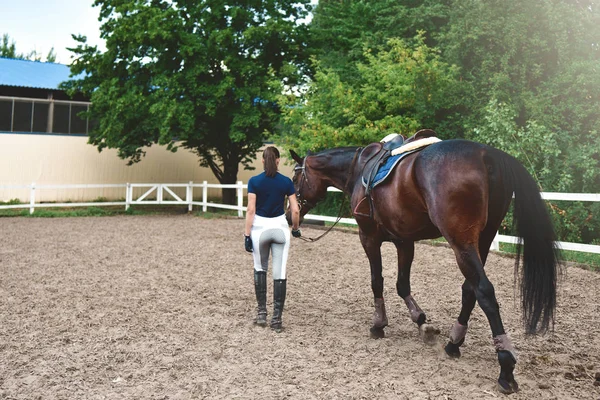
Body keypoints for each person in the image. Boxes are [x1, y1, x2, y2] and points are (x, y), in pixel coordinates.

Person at [244, 146, 301, 332]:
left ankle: (262, 314)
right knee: (280, 272)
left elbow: (250, 210)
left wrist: (246, 234)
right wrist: (295, 228)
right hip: (280, 229)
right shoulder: (286, 182)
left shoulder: (254, 182)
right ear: (278, 160)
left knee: (260, 269)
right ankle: (276, 319)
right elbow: (295, 210)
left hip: (259, 230)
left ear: (262, 161)